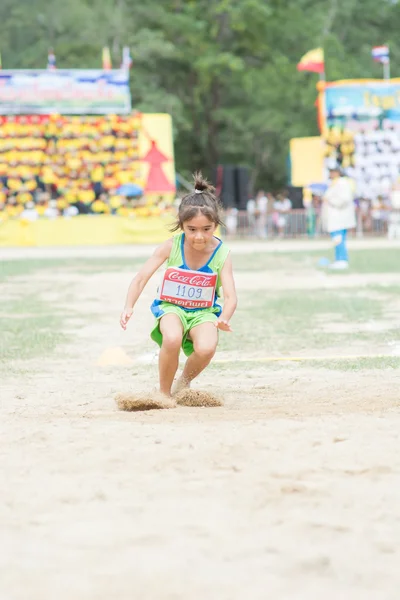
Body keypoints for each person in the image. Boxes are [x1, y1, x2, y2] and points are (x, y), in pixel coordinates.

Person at [120, 172, 237, 398]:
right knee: (171, 338)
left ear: (216, 225)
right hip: (171, 308)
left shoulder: (222, 254)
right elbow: (141, 278)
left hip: (204, 312)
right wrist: (128, 305)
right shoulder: (170, 246)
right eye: (191, 229)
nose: (199, 237)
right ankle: (163, 394)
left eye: (206, 229)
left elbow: (231, 296)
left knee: (206, 348)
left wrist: (225, 318)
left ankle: (182, 382)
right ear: (181, 225)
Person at [322, 166, 356, 269]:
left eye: (332, 172)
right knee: (337, 239)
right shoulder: (335, 183)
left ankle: (342, 260)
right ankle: (339, 259)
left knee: (338, 239)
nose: (330, 174)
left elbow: (344, 199)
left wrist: (330, 201)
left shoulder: (342, 183)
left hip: (339, 217)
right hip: (335, 218)